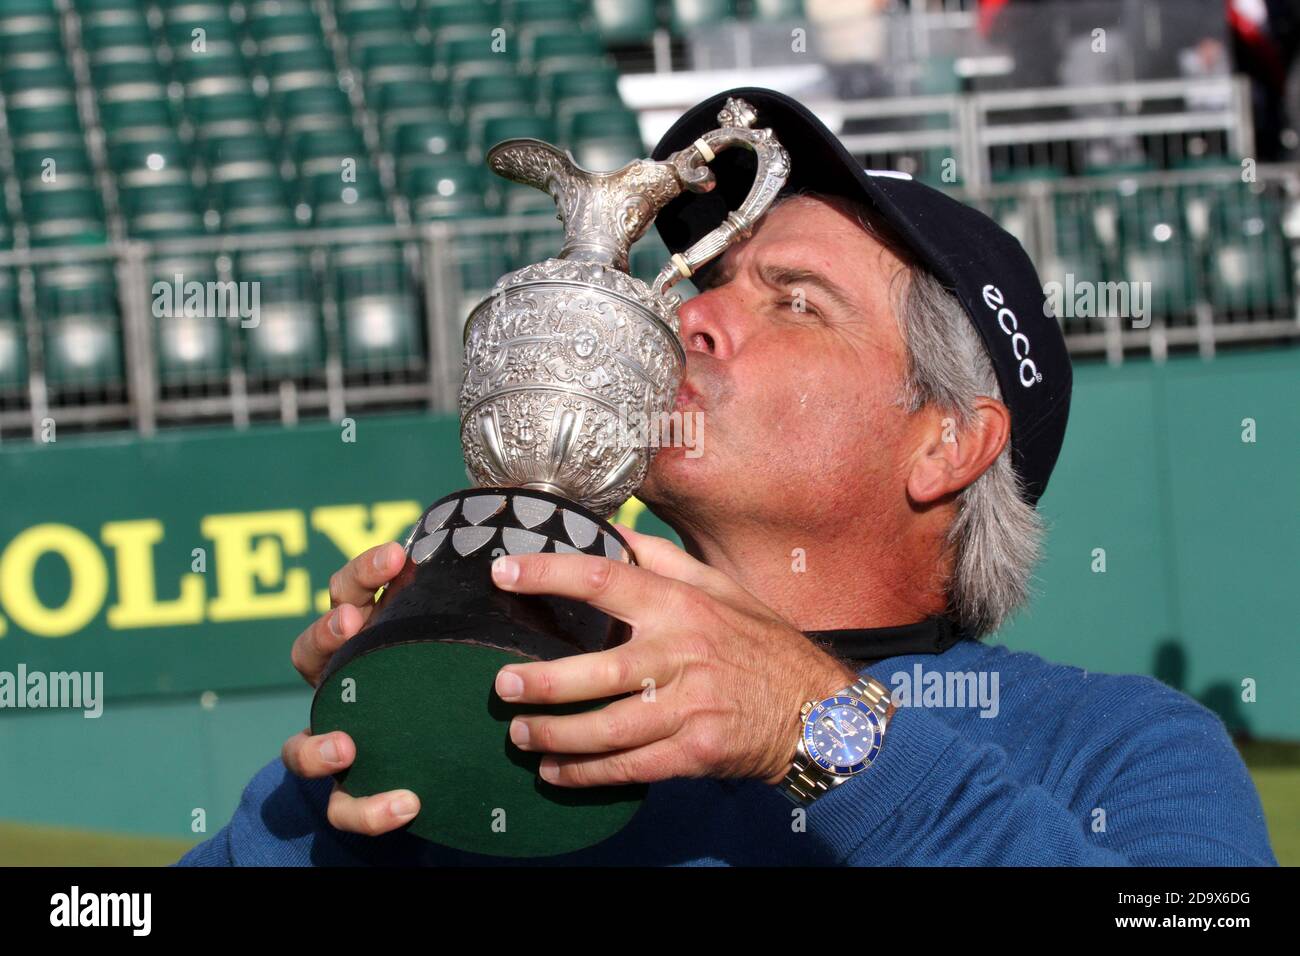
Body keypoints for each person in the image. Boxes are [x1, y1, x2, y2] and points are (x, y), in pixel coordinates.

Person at [177, 89, 1276, 866]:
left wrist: (818, 727)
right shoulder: (521, 719)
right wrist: (330, 797)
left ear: (946, 440)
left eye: (793, 298)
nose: (686, 314)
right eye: (702, 280)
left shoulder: (1117, 745)